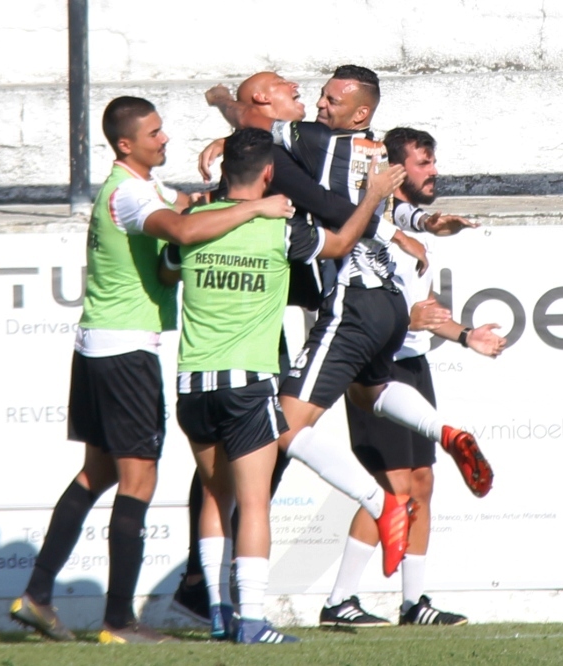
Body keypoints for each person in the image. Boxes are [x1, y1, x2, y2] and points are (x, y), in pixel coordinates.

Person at [9, 96, 294, 645]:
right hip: (126, 350)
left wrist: (207, 197)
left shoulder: (127, 188)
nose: (165, 140)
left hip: (96, 342)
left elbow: (180, 208)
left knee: (98, 473)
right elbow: (182, 232)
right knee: (137, 477)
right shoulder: (134, 195)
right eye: (155, 133)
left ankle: (37, 595)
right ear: (125, 144)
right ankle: (118, 620)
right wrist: (256, 208)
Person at [205, 65, 492, 583]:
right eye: (315, 96)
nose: (317, 104)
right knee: (368, 392)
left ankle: (379, 504)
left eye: (330, 99)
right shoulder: (374, 152)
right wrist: (420, 223)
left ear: (359, 112)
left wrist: (223, 105)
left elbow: (251, 116)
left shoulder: (318, 140)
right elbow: (373, 206)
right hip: (388, 304)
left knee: (283, 430)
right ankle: (444, 432)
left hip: (353, 300)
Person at [171, 127, 402, 643]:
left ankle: (216, 611)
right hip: (248, 382)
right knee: (252, 503)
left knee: (214, 496)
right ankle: (251, 618)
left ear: (222, 166)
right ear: (271, 173)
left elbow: (168, 271)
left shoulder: (193, 223)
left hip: (192, 382)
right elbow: (343, 241)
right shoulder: (281, 229)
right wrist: (372, 196)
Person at [321, 127, 505, 629]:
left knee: (421, 482)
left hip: (413, 363)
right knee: (391, 485)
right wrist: (407, 320)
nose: (434, 172)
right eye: (424, 163)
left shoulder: (408, 228)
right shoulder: (363, 227)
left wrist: (466, 335)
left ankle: (414, 603)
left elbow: (421, 314)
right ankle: (339, 601)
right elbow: (366, 307)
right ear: (397, 171)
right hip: (376, 367)